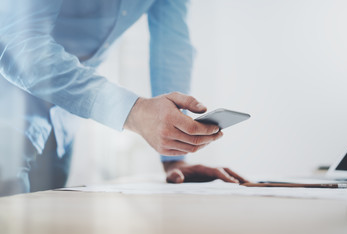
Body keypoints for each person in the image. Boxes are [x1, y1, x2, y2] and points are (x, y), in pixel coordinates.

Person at [0, 0, 247, 197]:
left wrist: (174, 158)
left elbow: (172, 45)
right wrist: (134, 112)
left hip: (65, 116)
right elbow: (16, 43)